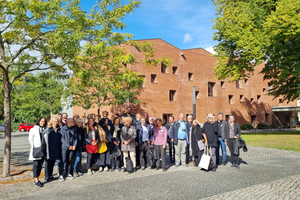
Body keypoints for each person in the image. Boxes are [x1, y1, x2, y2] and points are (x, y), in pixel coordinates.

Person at [28, 117, 47, 188]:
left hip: (43, 150)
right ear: (38, 121)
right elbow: (30, 139)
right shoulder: (33, 129)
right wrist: (34, 147)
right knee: (36, 165)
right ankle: (36, 180)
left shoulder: (45, 129)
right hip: (36, 149)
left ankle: (37, 178)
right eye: (41, 121)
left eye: (44, 121)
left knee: (40, 165)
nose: (42, 122)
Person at [43, 118, 63, 182]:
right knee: (48, 163)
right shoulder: (48, 129)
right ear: (51, 122)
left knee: (53, 162)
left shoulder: (59, 129)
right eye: (54, 121)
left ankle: (51, 175)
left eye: (56, 121)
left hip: (56, 148)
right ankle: (47, 176)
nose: (55, 122)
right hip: (49, 149)